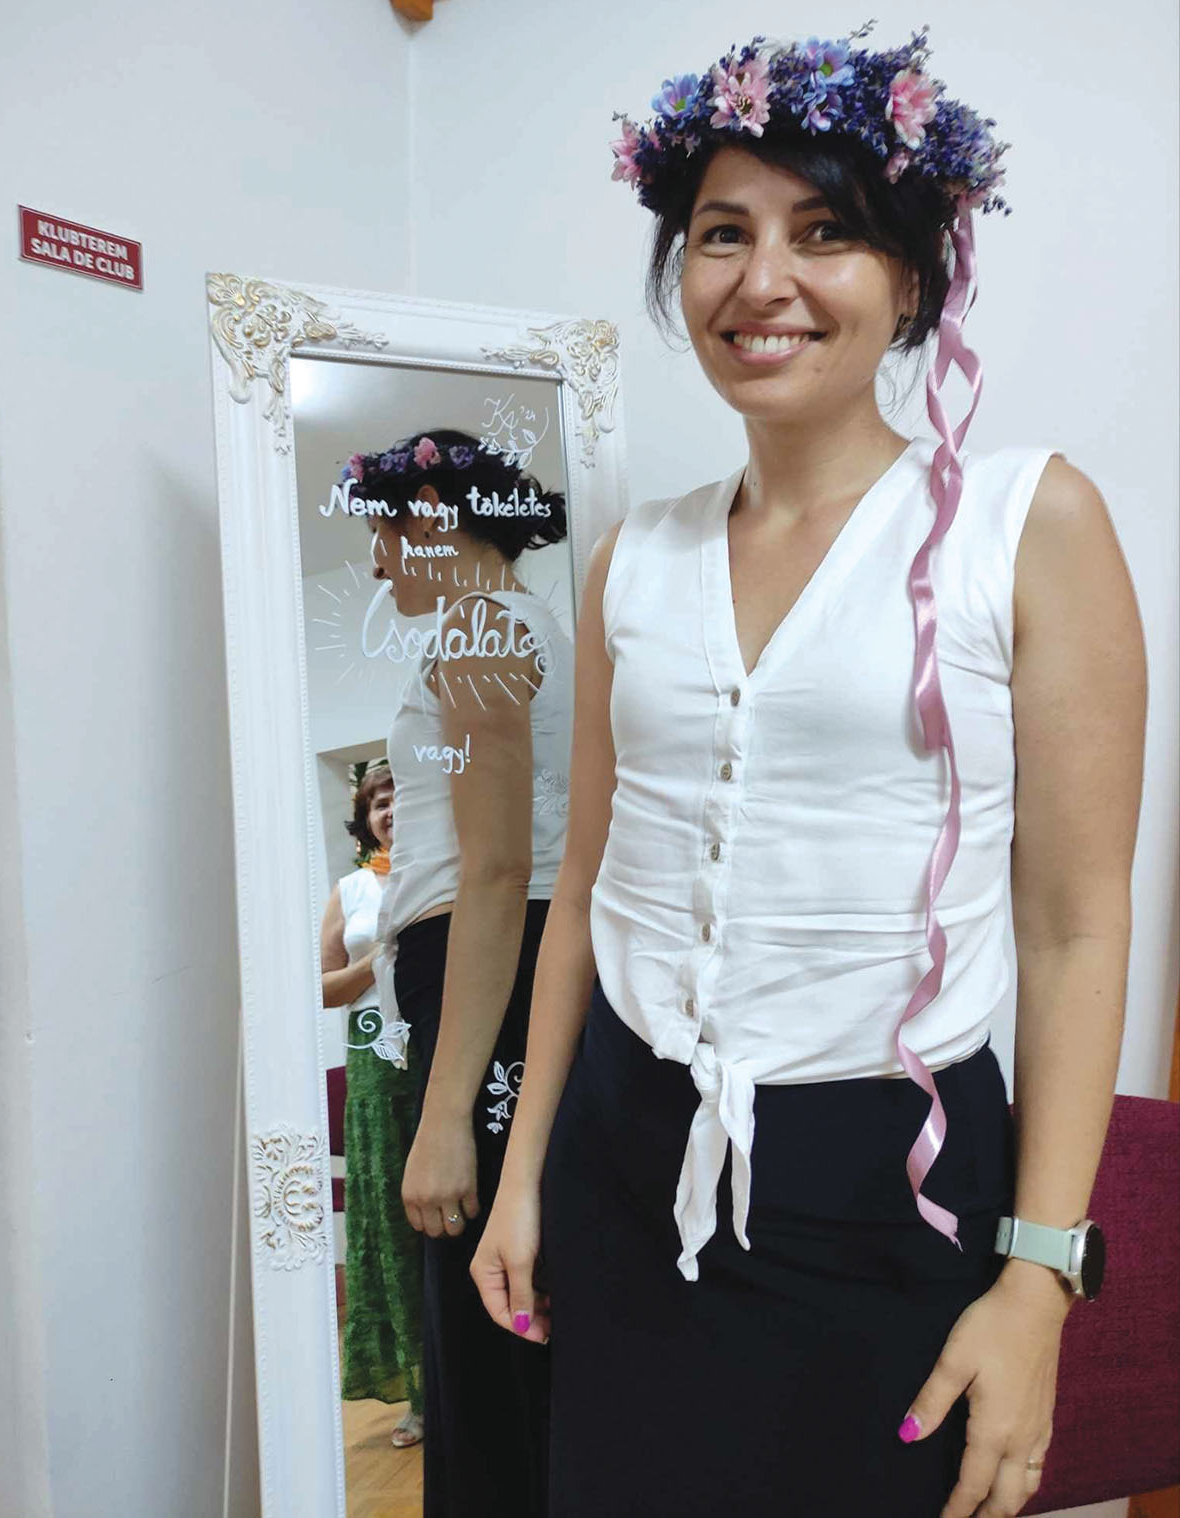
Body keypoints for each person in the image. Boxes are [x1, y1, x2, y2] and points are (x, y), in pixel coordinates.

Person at [470, 22, 1146, 1518]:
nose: (761, 280)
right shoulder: (634, 558)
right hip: (623, 1160)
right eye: (722, 235)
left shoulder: (1028, 525)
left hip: (891, 1182)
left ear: (913, 275)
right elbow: (586, 880)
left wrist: (1038, 1279)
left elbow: (1076, 927)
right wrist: (524, 1175)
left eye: (823, 232)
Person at [344, 427, 574, 1516]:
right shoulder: (518, 625)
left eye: (382, 536)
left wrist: (442, 1121)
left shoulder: (481, 627)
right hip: (499, 979)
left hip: (492, 978)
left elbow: (496, 870)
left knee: (485, 1307)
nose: (375, 565)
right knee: (509, 1305)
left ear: (433, 516)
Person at [318, 762, 425, 1448]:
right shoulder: (350, 890)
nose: (390, 810)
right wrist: (379, 958)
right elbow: (323, 986)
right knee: (390, 1232)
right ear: (366, 820)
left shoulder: (443, 872)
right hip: (374, 1080)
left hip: (437, 1061)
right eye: (378, 802)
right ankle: (419, 1394)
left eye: (401, 798)